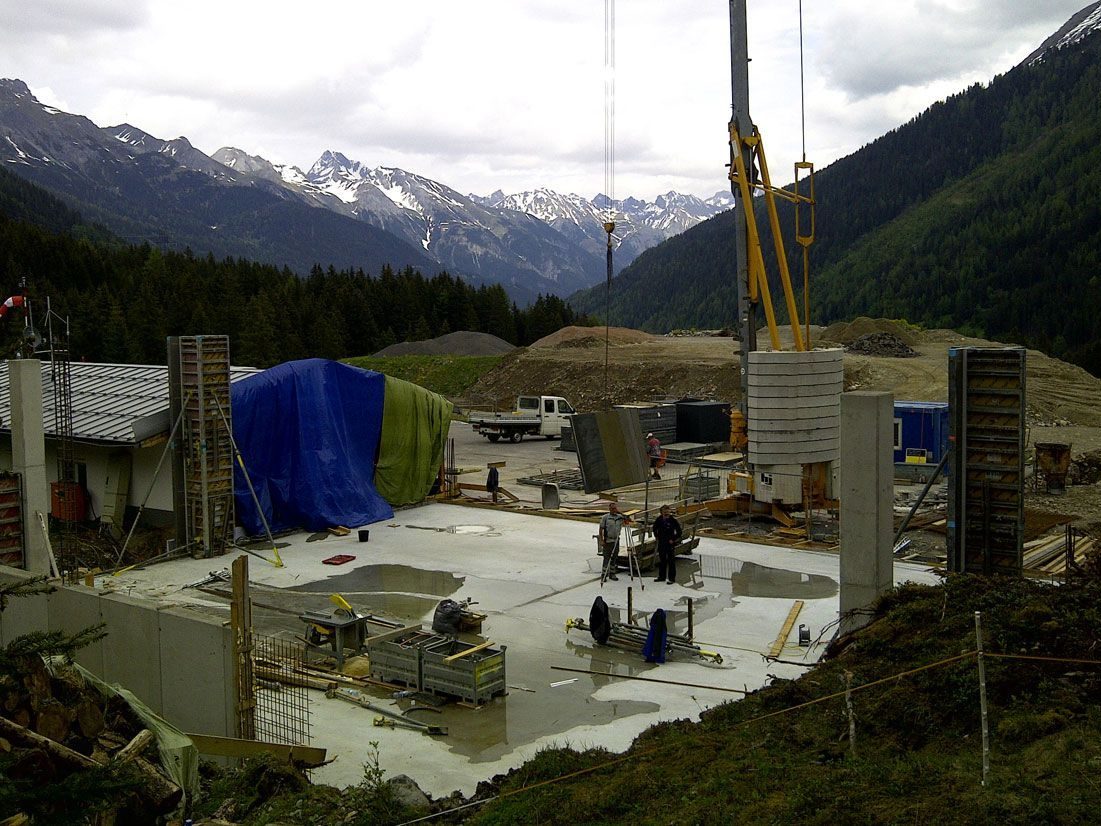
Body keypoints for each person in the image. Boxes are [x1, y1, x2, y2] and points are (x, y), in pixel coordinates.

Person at [597, 501, 631, 581]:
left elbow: (629, 520)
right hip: (608, 540)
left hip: (616, 540)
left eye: (615, 508)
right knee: (606, 558)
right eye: (612, 508)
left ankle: (612, 573)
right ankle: (604, 575)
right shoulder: (605, 517)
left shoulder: (619, 517)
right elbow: (601, 529)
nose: (614, 510)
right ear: (609, 509)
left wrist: (620, 513)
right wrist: (601, 540)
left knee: (614, 557)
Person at [652, 504, 682, 584]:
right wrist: (657, 536)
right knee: (662, 560)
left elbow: (679, 532)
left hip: (670, 543)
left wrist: (673, 539)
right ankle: (662, 576)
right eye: (664, 512)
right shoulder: (659, 519)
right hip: (662, 542)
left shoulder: (673, 520)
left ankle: (672, 578)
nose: (666, 513)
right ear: (661, 512)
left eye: (667, 512)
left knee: (671, 561)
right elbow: (654, 528)